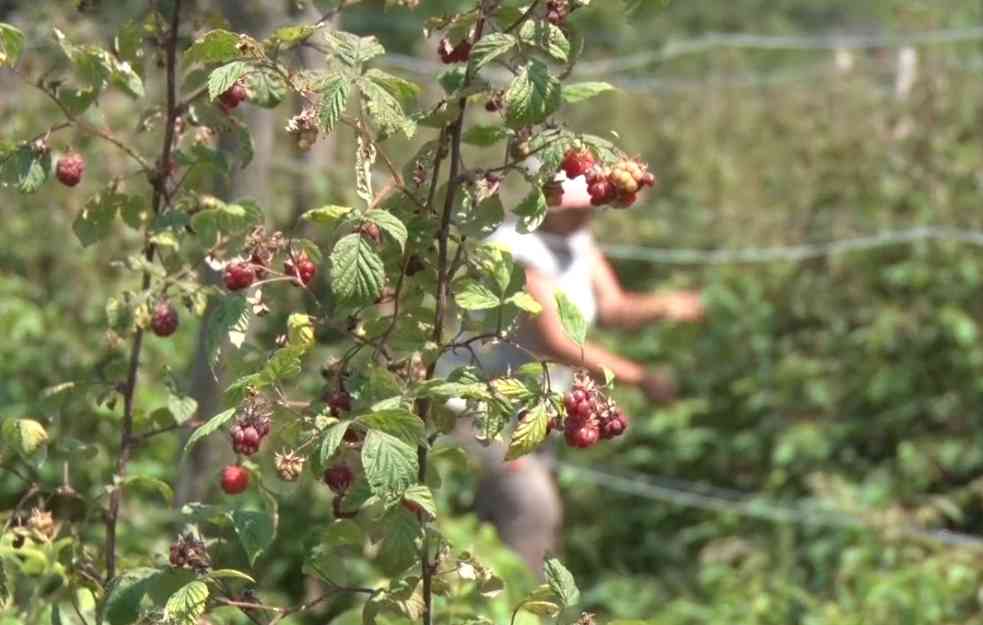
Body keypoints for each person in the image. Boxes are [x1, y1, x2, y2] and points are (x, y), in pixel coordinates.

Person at [440, 169, 705, 576]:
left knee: (509, 521)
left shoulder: (579, 242)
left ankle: (485, 601)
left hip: (532, 410)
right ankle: (521, 611)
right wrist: (640, 377)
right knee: (531, 510)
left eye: (591, 206)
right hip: (482, 408)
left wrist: (667, 305)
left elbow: (614, 307)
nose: (586, 216)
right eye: (576, 207)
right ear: (545, 201)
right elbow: (554, 341)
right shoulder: (516, 250)